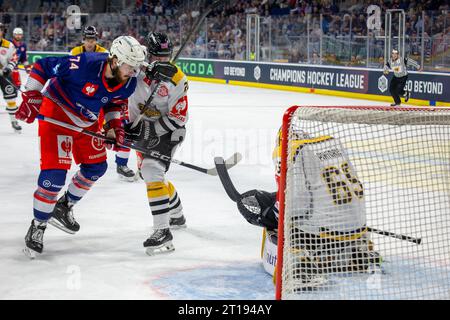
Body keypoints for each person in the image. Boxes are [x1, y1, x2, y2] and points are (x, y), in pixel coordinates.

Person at [15, 36, 146, 258]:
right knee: (54, 177)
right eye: (129, 67)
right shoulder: (84, 64)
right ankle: (38, 226)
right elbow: (42, 66)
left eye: (136, 68)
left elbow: (114, 102)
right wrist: (32, 96)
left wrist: (113, 127)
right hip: (57, 114)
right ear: (114, 60)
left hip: (87, 120)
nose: (133, 72)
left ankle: (64, 206)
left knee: (96, 167)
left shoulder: (129, 81)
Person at [234, 129, 382, 289]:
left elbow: (297, 202)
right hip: (358, 228)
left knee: (273, 219)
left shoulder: (289, 150)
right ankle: (357, 251)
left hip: (322, 233)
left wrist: (273, 214)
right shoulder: (330, 143)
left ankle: (300, 264)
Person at [125, 32, 188, 255]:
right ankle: (177, 213)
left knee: (152, 171)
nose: (163, 61)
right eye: (157, 57)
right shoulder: (136, 61)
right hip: (139, 129)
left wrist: (151, 130)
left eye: (166, 57)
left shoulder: (178, 79)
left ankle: (163, 231)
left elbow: (179, 118)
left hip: (166, 130)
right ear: (148, 54)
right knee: (148, 175)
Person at [70, 26, 136, 181]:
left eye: (92, 39)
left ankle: (101, 158)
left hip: (99, 96)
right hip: (80, 96)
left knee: (106, 126)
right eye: (87, 39)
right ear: (83, 39)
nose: (90, 42)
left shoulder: (104, 54)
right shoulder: (75, 52)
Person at [0, 23, 21, 133]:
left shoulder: (9, 45)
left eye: (0, 30)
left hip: (4, 75)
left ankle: (14, 121)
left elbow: (14, 59)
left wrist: (9, 68)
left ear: (3, 31)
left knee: (11, 98)